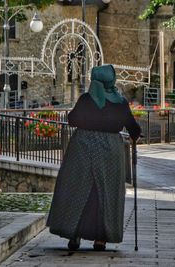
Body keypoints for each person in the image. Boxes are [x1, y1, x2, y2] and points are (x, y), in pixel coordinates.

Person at [46, 64, 141, 251]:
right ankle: (101, 239)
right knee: (105, 193)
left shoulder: (86, 99)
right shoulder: (120, 102)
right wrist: (135, 134)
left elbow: (72, 120)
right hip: (110, 152)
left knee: (77, 189)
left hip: (82, 148)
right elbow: (133, 128)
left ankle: (75, 235)